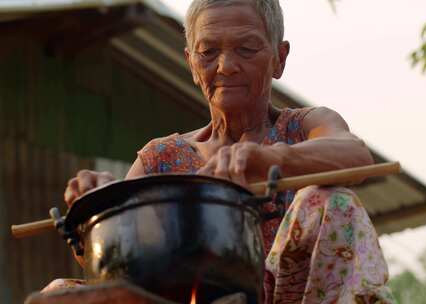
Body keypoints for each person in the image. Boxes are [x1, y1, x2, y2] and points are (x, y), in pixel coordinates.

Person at [43, 0, 395, 303]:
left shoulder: (304, 127)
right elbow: (122, 267)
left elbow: (355, 156)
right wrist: (100, 206)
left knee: (331, 202)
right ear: (191, 63)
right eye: (208, 51)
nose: (226, 66)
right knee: (59, 293)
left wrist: (270, 159)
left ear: (279, 58)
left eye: (246, 48)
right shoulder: (160, 159)